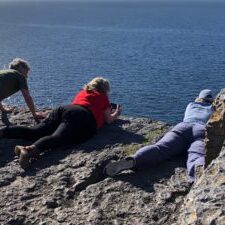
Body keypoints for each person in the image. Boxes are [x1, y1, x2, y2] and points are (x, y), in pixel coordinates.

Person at [0, 77, 121, 169]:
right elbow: (108, 120)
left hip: (64, 109)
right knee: (58, 138)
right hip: (82, 116)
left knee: (36, 130)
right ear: (105, 89)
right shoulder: (103, 97)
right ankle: (29, 150)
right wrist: (116, 113)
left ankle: (4, 132)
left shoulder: (83, 92)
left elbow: (81, 106)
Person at [104, 89, 214, 183]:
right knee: (197, 154)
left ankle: (134, 160)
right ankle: (197, 178)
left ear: (198, 98)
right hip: (201, 130)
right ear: (212, 100)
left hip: (182, 127)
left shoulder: (191, 105)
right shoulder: (213, 108)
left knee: (160, 147)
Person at [0, 58, 45, 125]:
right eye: (26, 72)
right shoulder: (19, 76)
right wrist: (34, 114)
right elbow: (27, 97)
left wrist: (3, 109)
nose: (26, 76)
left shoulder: (4, 73)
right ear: (20, 68)